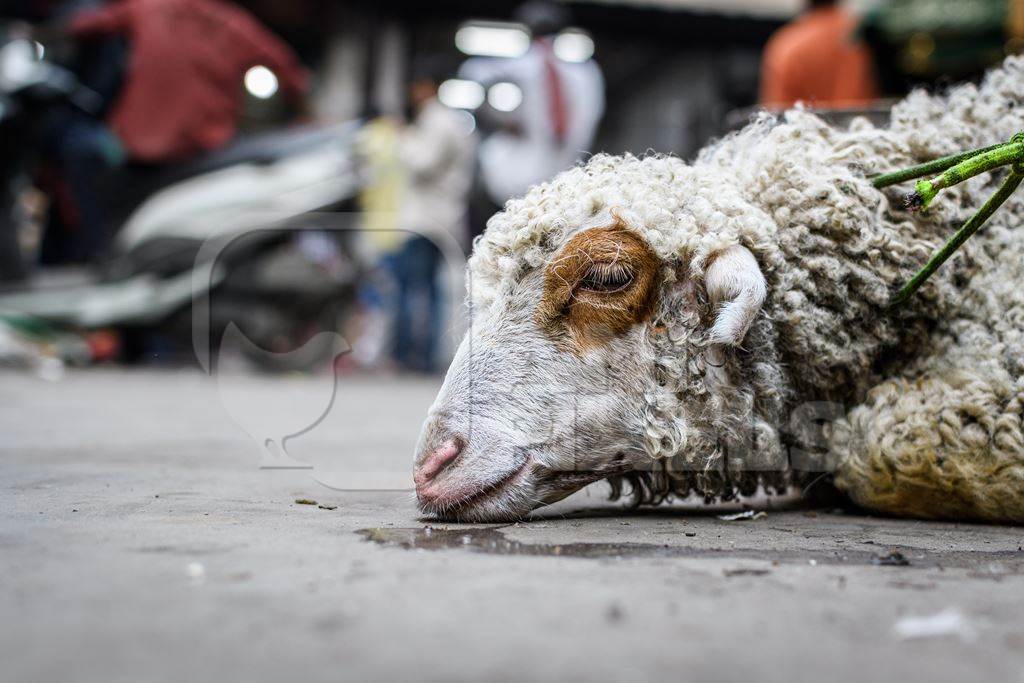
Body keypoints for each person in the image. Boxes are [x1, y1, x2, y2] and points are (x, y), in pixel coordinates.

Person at [37, 0, 310, 262]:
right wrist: (304, 113)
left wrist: (40, 33)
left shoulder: (149, 8)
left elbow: (87, 23)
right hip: (198, 150)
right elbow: (290, 71)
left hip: (145, 148)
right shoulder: (228, 22)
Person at [459, 0, 604, 209]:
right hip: (534, 171)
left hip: (558, 165)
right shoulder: (585, 71)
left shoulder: (579, 72)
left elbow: (472, 73)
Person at [391, 63, 476, 373]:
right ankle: (422, 356)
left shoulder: (437, 121)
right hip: (439, 217)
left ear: (427, 86)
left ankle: (413, 357)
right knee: (427, 288)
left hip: (427, 219)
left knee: (415, 288)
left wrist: (402, 138)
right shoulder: (449, 121)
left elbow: (422, 164)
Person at [759, 0, 879, 109]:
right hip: (854, 127)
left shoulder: (785, 44)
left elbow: (775, 112)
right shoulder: (855, 34)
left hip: (804, 129)